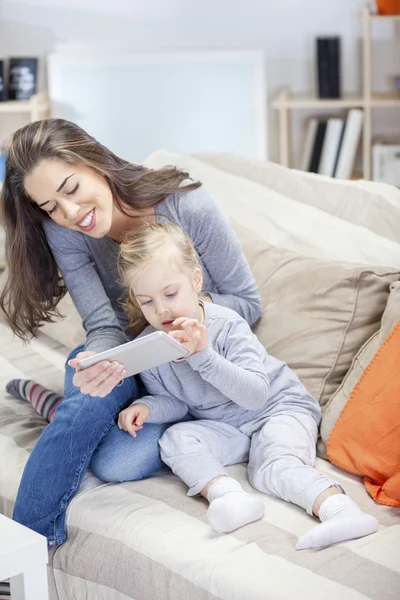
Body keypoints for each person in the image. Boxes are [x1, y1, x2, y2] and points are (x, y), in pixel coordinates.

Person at [0, 118, 261, 546]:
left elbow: (247, 303)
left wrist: (189, 321)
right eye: (49, 206)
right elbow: (104, 325)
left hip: (195, 367)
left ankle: (57, 408)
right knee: (86, 391)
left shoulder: (183, 205)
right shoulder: (64, 232)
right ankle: (23, 552)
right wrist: (96, 363)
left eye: (70, 188)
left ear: (95, 160)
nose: (68, 213)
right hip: (129, 358)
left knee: (117, 463)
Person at [117, 222, 378, 549]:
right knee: (176, 437)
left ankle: (341, 512)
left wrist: (203, 356)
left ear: (195, 280)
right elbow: (178, 404)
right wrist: (146, 407)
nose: (162, 310)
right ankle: (228, 497)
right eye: (147, 302)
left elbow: (256, 395)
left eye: (170, 294)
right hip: (229, 426)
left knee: (271, 466)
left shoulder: (225, 325)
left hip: (278, 410)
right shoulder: (153, 347)